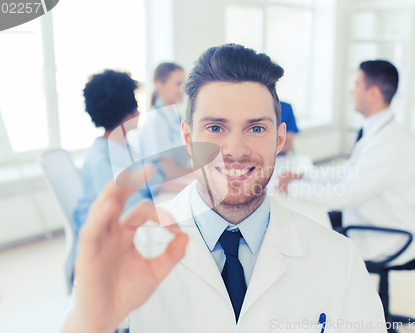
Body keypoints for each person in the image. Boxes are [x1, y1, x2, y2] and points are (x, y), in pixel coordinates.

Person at [63, 45, 385, 333]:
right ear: (188, 138)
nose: (235, 149)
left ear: (280, 138)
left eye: (256, 128)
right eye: (215, 128)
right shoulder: (130, 252)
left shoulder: (339, 260)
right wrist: (92, 323)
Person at [279, 60, 415, 266]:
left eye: (357, 85)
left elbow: (343, 196)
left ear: (373, 93)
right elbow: (350, 170)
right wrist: (305, 176)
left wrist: (293, 187)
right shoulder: (380, 130)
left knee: (304, 245)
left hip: (380, 236)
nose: (352, 92)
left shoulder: (387, 144)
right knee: (306, 221)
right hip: (366, 217)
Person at [72, 70, 162, 284]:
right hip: (107, 249)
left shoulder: (125, 146)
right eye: (136, 105)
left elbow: (147, 187)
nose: (140, 110)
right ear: (127, 113)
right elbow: (127, 210)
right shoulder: (101, 159)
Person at [137, 62, 193, 182]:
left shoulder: (175, 117)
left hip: (180, 182)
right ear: (159, 85)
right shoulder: (155, 120)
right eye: (178, 84)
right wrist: (201, 172)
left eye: (185, 84)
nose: (184, 89)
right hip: (164, 189)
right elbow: (170, 171)